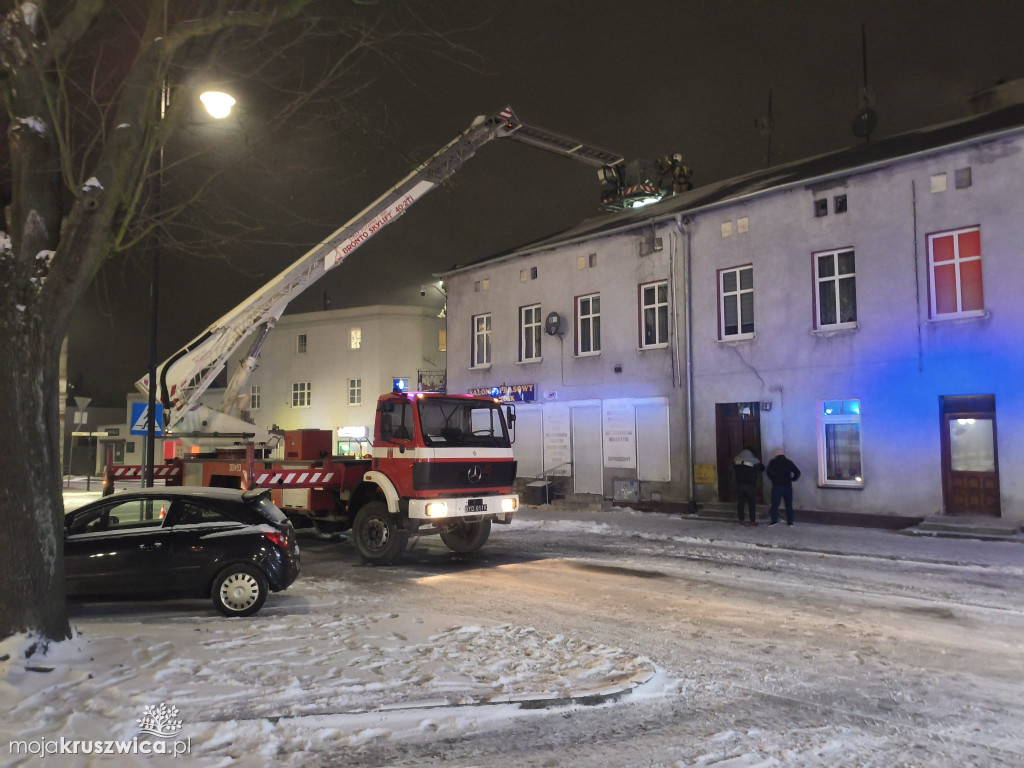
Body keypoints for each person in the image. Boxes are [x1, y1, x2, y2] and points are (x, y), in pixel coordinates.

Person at [766, 448, 801, 526]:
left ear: (775, 454)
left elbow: (768, 472)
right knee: (789, 504)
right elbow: (797, 472)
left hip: (777, 486)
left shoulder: (773, 462)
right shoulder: (789, 462)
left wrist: (773, 479)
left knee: (775, 504)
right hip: (788, 486)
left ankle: (774, 520)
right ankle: (790, 522)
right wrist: (793, 479)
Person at [732, 448, 764, 526]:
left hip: (740, 485)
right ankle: (752, 521)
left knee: (741, 503)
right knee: (751, 504)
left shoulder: (736, 459)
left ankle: (741, 520)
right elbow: (762, 468)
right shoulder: (754, 460)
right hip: (750, 485)